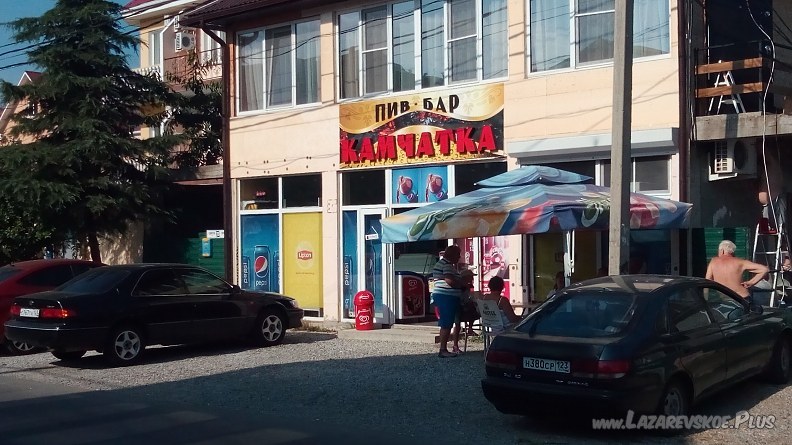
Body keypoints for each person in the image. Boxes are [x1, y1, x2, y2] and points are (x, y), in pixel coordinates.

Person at [431, 245, 465, 358]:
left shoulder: (442, 263)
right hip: (446, 297)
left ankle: (444, 348)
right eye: (458, 255)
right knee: (446, 323)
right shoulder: (447, 265)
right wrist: (462, 285)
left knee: (447, 322)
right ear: (452, 255)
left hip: (443, 296)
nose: (459, 257)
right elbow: (450, 281)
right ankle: (443, 349)